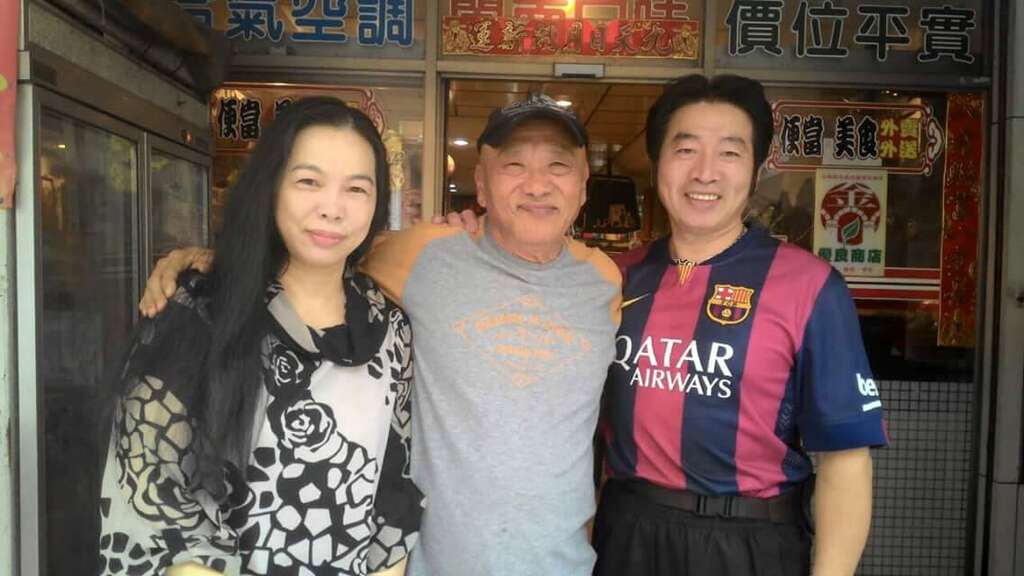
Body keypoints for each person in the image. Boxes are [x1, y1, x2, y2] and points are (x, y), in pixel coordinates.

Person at [137, 94, 622, 576]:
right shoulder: (423, 254)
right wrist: (205, 263)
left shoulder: (605, 281)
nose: (537, 185)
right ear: (481, 182)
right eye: (514, 165)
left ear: (583, 185)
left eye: (558, 165)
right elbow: (316, 253)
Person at [99, 97, 422, 576]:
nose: (332, 209)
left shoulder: (388, 326)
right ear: (270, 187)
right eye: (308, 181)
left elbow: (392, 497)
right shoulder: (199, 315)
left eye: (357, 188)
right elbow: (152, 497)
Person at [593, 74, 887, 576]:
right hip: (627, 534)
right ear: (657, 161)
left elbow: (845, 458)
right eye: (686, 150)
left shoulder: (809, 285)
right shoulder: (611, 277)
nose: (705, 173)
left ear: (756, 169)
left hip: (750, 543)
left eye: (729, 152)